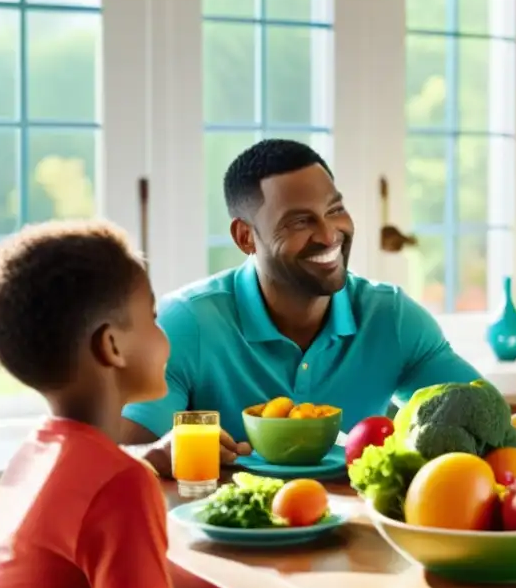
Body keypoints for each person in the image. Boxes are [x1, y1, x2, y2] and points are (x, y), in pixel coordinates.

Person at [0, 220, 234, 588]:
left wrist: (145, 461)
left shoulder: (36, 455)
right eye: (152, 318)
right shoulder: (121, 486)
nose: (165, 336)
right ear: (111, 345)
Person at [120, 139, 480, 475]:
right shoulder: (188, 323)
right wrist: (158, 452)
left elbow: (484, 415)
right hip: (228, 535)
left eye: (334, 210)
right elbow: (121, 454)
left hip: (358, 533)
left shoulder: (392, 317)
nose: (328, 235)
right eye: (299, 221)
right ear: (245, 237)